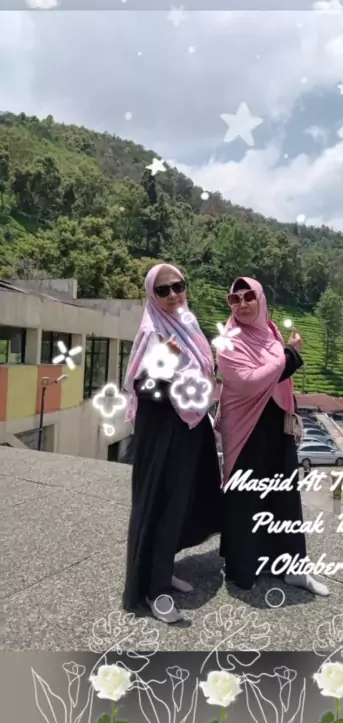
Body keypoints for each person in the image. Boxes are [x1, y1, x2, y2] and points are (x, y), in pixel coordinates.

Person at [122, 263, 223, 625]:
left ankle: (162, 571)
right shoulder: (152, 331)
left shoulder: (189, 323)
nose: (172, 295)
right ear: (152, 296)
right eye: (162, 290)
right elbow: (143, 388)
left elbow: (203, 373)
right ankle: (154, 590)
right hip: (164, 433)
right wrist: (164, 365)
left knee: (182, 504)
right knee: (161, 507)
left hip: (191, 426)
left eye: (177, 286)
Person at [215, 276, 329, 596]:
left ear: (261, 299)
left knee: (285, 497)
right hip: (245, 428)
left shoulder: (271, 331)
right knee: (246, 498)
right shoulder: (229, 341)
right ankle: (243, 569)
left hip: (276, 424)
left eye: (249, 296)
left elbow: (277, 379)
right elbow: (251, 382)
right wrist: (290, 354)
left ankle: (294, 568)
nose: (242, 303)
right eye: (235, 299)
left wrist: (284, 357)